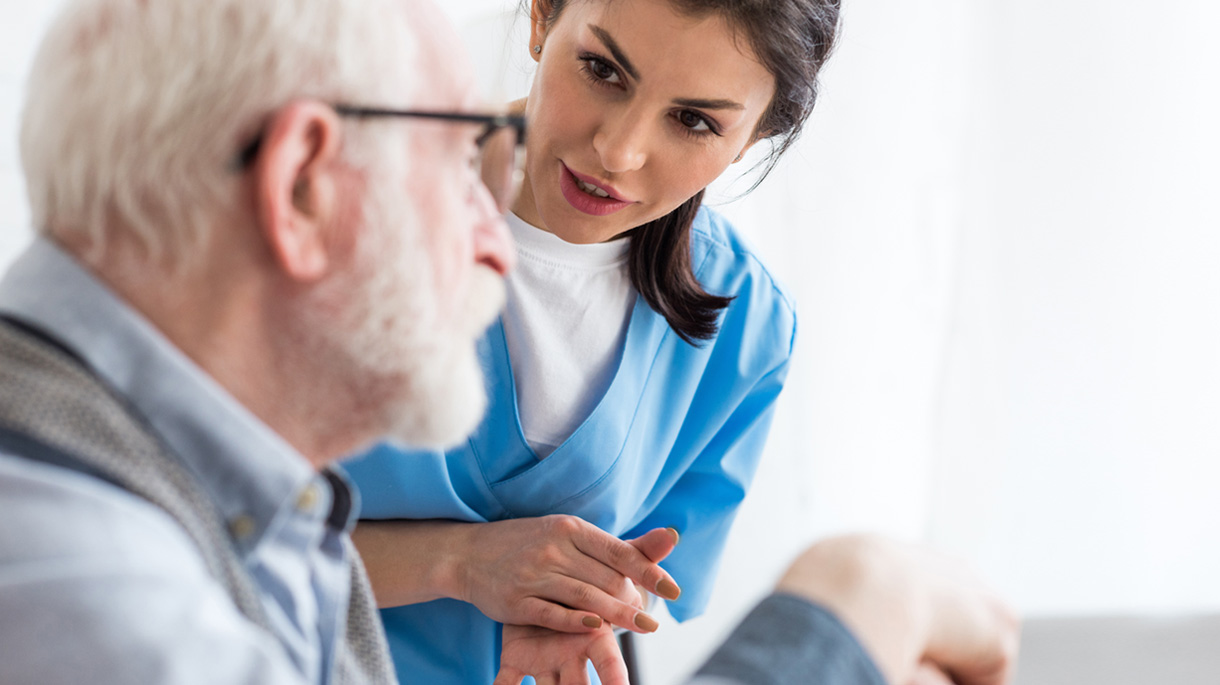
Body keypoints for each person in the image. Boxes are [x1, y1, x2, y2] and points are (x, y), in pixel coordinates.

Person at [0, 1, 1018, 684]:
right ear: (303, 181)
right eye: (449, 147)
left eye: (695, 122)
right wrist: (858, 598)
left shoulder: (218, 519)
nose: (615, 152)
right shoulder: (96, 572)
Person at [340, 0, 844, 681]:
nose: (619, 150)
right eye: (602, 70)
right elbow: (195, 520)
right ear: (543, 18)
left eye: (694, 120)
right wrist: (456, 561)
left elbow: (644, 580)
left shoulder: (747, 327)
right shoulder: (340, 198)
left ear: (756, 135)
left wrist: (592, 602)